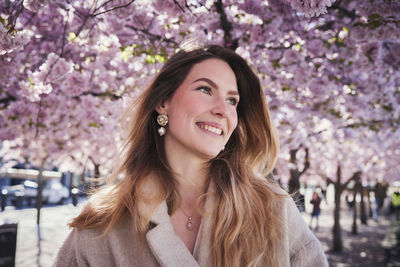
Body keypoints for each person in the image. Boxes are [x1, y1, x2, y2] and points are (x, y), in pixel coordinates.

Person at [54, 44, 328, 266]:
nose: (223, 109)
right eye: (205, 89)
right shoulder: (104, 221)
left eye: (233, 100)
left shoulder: (271, 208)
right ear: (163, 102)